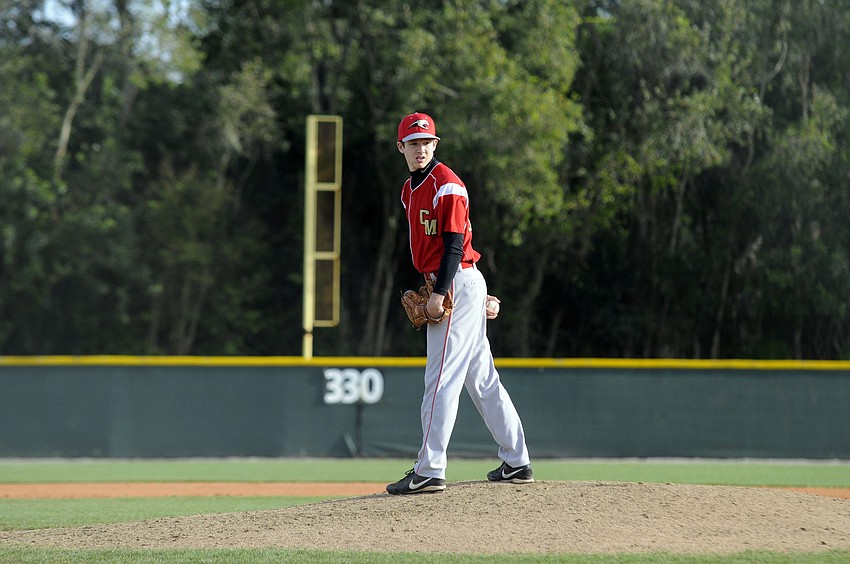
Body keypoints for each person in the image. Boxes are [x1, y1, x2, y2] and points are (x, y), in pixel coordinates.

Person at [386, 112, 533, 495]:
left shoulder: (447, 185)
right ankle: (517, 461)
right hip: (458, 283)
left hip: (453, 284)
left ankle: (430, 468)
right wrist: (470, 293)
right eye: (413, 143)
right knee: (482, 379)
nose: (421, 149)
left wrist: (442, 293)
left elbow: (455, 245)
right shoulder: (409, 189)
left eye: (427, 142)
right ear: (401, 147)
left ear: (436, 145)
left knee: (440, 378)